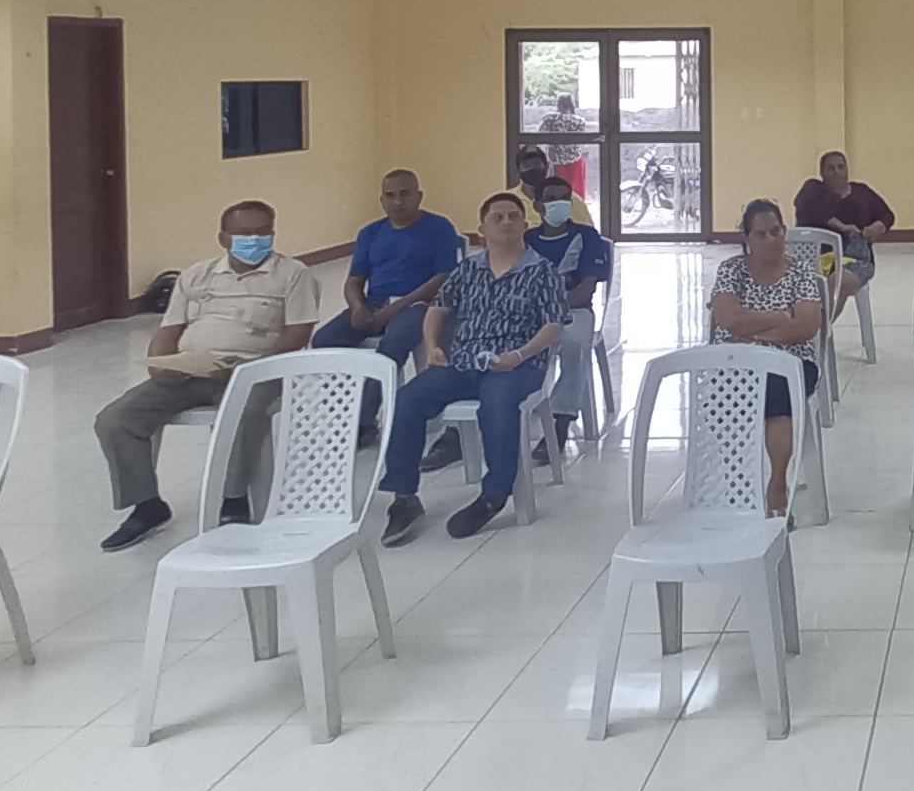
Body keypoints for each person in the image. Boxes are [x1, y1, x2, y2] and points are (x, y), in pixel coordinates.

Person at [92, 200, 321, 551]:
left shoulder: (293, 274)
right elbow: (170, 328)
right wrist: (161, 364)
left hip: (258, 372)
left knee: (245, 411)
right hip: (194, 371)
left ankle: (233, 498)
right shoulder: (196, 275)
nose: (254, 240)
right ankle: (146, 505)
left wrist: (255, 367)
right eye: (244, 234)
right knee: (116, 419)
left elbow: (298, 333)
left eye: (263, 233)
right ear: (223, 237)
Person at [378, 193, 568, 546]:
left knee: (497, 406)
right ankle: (404, 497)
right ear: (482, 229)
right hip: (464, 361)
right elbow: (438, 309)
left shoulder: (543, 271)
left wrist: (519, 355)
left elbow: (554, 325)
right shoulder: (468, 269)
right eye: (498, 217)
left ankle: (493, 495)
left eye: (513, 216)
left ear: (525, 225)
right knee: (407, 400)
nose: (506, 222)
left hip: (518, 366)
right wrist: (433, 347)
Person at [310, 170, 463, 443]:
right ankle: (340, 413)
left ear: (419, 196)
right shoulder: (370, 232)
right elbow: (354, 280)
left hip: (420, 303)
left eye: (405, 194)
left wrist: (396, 308)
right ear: (381, 200)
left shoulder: (438, 227)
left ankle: (362, 423)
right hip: (375, 302)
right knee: (324, 340)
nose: (398, 202)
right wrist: (357, 307)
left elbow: (444, 277)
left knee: (392, 345)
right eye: (390, 196)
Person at [708, 198, 828, 517]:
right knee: (725, 394)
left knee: (777, 392)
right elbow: (728, 317)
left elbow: (806, 325)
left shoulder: (800, 273)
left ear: (784, 231)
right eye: (760, 234)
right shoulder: (732, 270)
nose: (771, 240)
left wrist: (754, 333)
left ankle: (777, 483)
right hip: (736, 361)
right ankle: (738, 482)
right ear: (747, 238)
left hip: (792, 360)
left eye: (776, 231)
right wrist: (779, 316)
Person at [520, 175, 612, 456]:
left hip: (573, 311)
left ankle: (559, 422)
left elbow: (586, 289)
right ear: (538, 205)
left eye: (564, 198)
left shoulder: (586, 237)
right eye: (550, 199)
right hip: (530, 314)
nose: (558, 204)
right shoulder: (526, 240)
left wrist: (552, 310)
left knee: (574, 343)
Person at [795, 149, 893, 316]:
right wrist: (843, 226)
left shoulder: (861, 191)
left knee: (838, 280)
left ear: (847, 169)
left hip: (857, 257)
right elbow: (810, 209)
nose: (836, 172)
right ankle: (819, 326)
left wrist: (875, 228)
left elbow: (887, 215)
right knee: (827, 280)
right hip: (819, 256)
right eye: (831, 168)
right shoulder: (813, 189)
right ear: (822, 173)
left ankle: (819, 326)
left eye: (841, 167)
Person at [538, 93, 591, 198]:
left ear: (558, 104)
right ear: (572, 104)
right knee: (575, 193)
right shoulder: (579, 121)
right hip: (575, 161)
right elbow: (584, 141)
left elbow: (538, 135)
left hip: (555, 162)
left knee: (555, 190)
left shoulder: (549, 119)